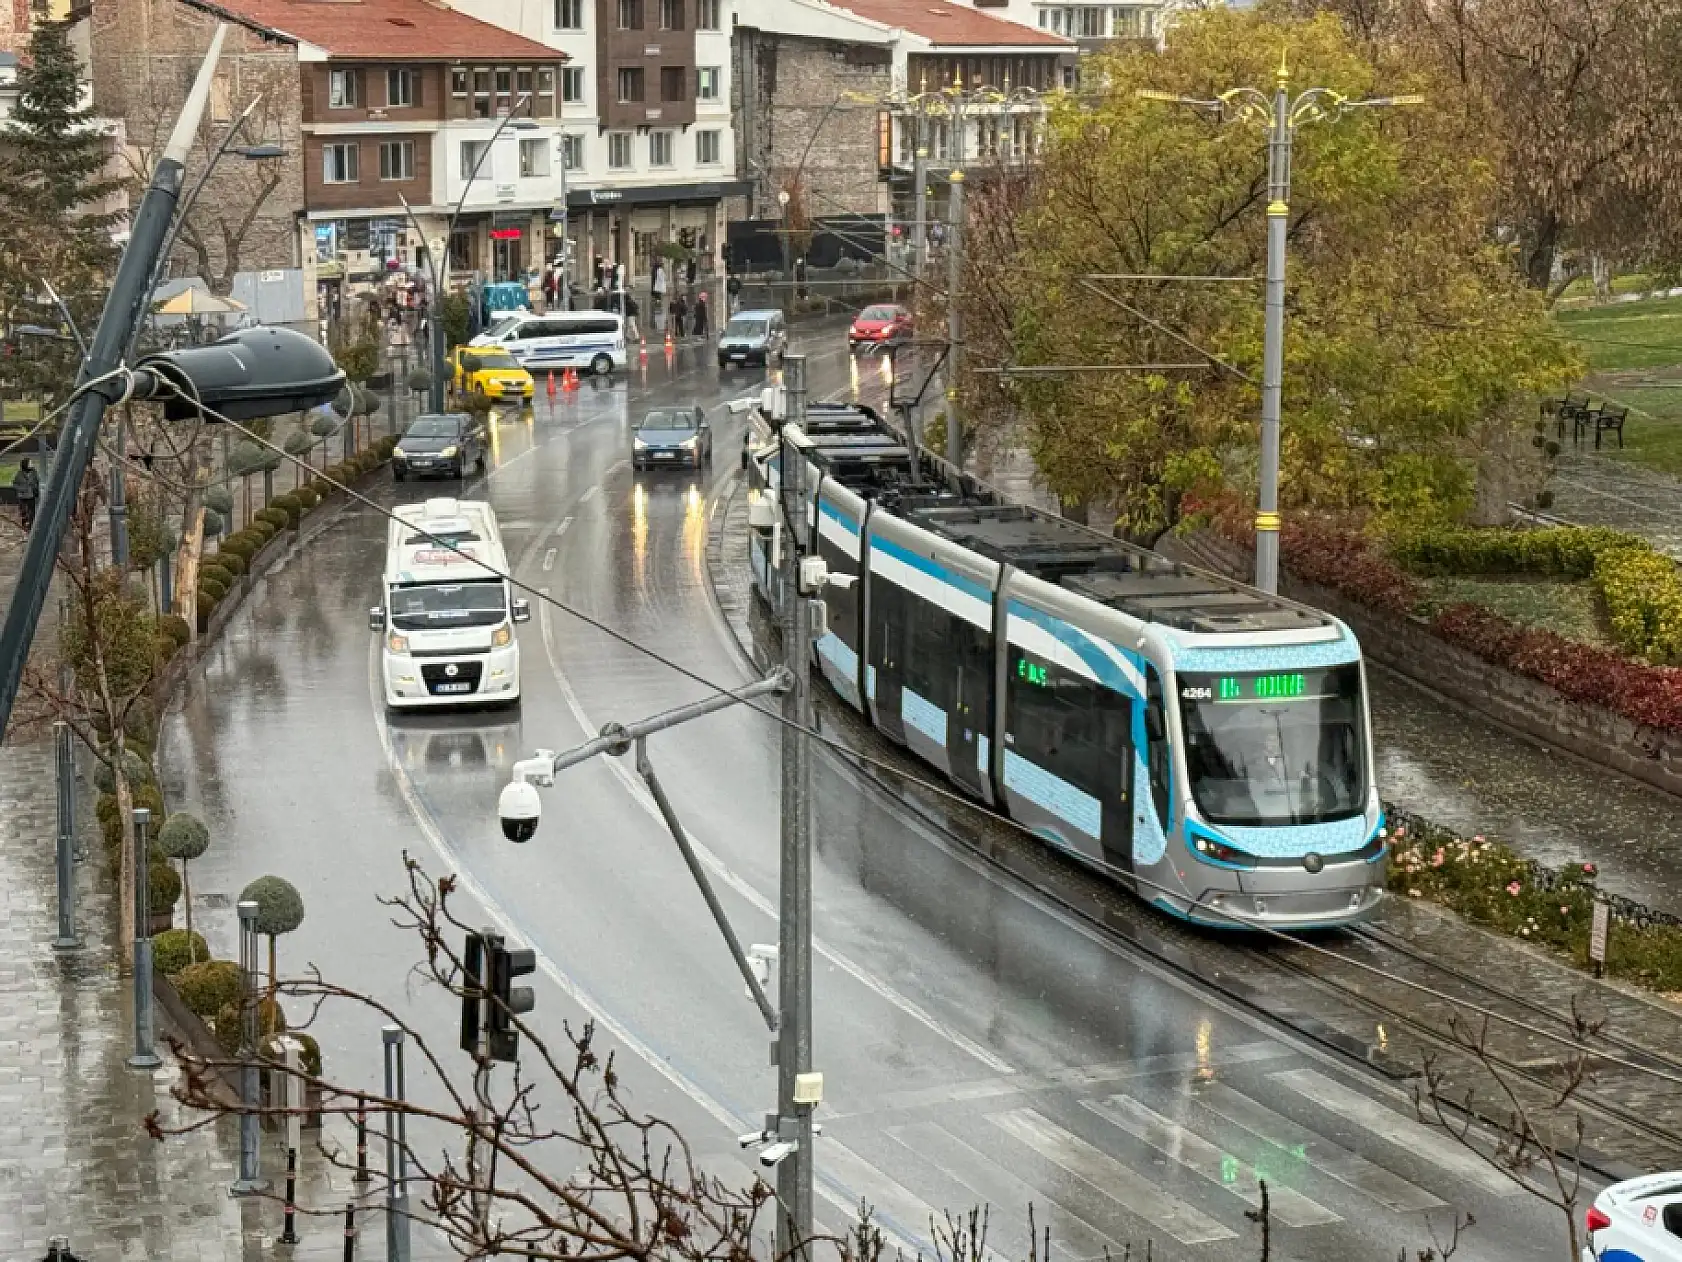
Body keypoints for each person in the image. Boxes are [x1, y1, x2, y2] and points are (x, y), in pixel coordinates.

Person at [14, 458, 38, 532]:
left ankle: (31, 526)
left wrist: (36, 489)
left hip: (31, 495)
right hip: (22, 496)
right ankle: (24, 524)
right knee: (23, 510)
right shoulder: (19, 474)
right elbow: (15, 484)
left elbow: (37, 481)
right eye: (30, 463)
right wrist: (22, 489)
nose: (32, 464)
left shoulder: (34, 472)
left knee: (32, 511)